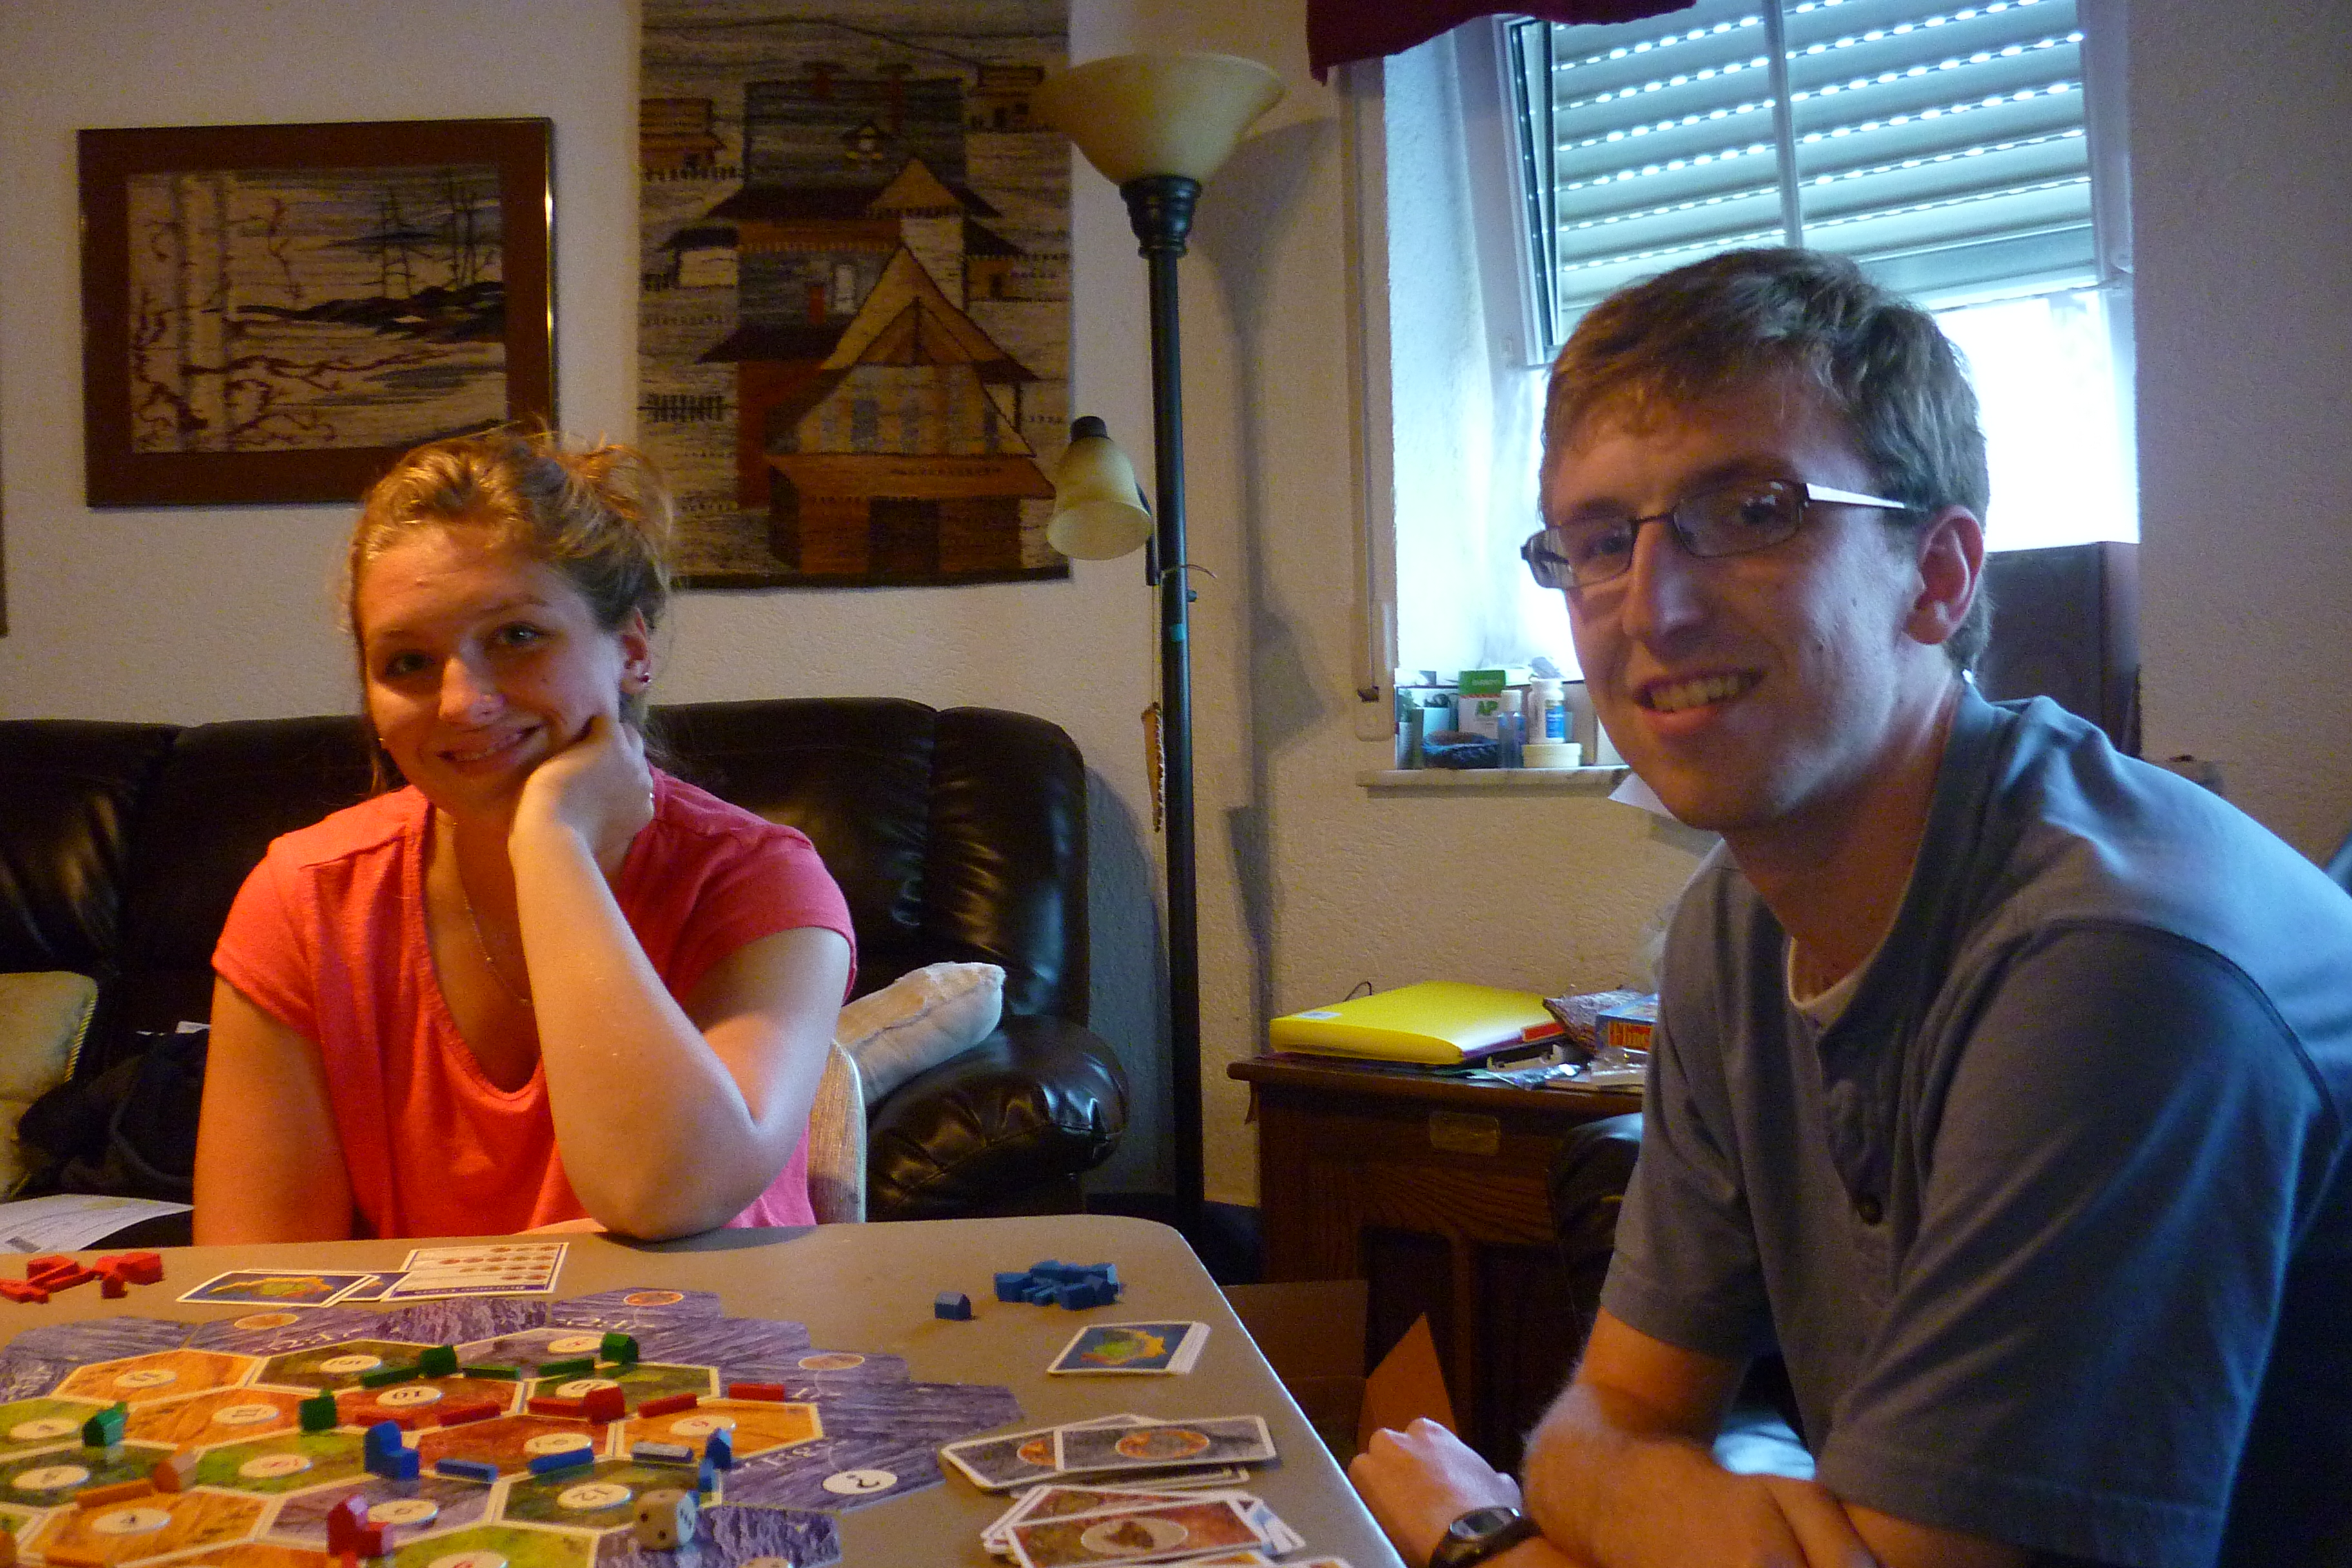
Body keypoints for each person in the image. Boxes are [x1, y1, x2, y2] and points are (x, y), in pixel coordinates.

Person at [1349, 249, 2352, 1568]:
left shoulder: (2117, 964)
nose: (1651, 606)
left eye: (1750, 511)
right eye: (1597, 543)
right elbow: (1608, 1418)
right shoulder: (1734, 924)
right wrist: (1612, 1491)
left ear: (1936, 575)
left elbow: (1594, 1462)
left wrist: (1486, 1541)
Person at [193, 429, 856, 1243]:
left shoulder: (762, 883)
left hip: (722, 1328)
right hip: (415, 1335)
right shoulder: (304, 899)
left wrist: (551, 844)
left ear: (632, 651)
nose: (462, 702)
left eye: (516, 636)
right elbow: (256, 1280)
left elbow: (664, 1191)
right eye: (407, 662)